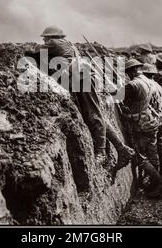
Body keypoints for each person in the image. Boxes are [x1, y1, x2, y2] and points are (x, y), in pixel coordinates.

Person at [40, 26, 135, 169]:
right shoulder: (67, 45)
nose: (44, 40)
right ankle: (121, 148)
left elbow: (34, 51)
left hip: (83, 80)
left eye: (46, 38)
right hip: (80, 80)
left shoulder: (56, 43)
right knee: (98, 115)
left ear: (52, 37)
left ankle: (101, 152)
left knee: (93, 115)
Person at [122, 60, 162, 197]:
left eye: (128, 72)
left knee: (140, 156)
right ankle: (156, 184)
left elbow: (117, 96)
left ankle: (160, 184)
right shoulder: (148, 81)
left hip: (141, 125)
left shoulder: (132, 84)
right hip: (151, 121)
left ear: (131, 71)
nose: (128, 75)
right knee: (153, 153)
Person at [138, 63, 162, 182]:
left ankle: (156, 182)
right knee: (161, 147)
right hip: (161, 119)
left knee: (151, 150)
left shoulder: (146, 87)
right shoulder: (159, 87)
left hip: (152, 122)